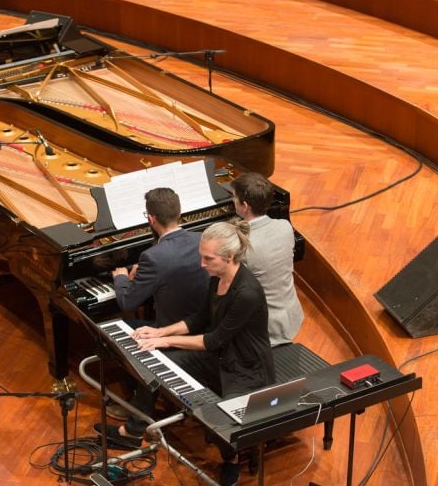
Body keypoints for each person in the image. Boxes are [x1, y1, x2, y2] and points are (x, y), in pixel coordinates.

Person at [99, 220, 275, 486]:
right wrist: (160, 333)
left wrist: (168, 342)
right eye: (201, 257)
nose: (202, 265)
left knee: (223, 420)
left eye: (208, 259)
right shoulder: (217, 278)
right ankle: (133, 431)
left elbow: (214, 340)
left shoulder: (247, 292)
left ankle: (232, 460)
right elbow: (199, 319)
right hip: (219, 356)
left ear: (229, 257)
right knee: (152, 364)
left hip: (246, 367)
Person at [112, 187, 209, 328]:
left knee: (112, 327)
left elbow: (127, 303)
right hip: (205, 324)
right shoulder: (203, 239)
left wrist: (121, 278)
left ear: (151, 219)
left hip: (171, 331)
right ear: (179, 213)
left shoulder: (152, 257)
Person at [231, 172, 304, 346]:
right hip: (291, 313)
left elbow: (233, 287)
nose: (232, 201)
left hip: (265, 325)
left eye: (234, 197)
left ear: (245, 206)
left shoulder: (243, 244)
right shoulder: (284, 226)